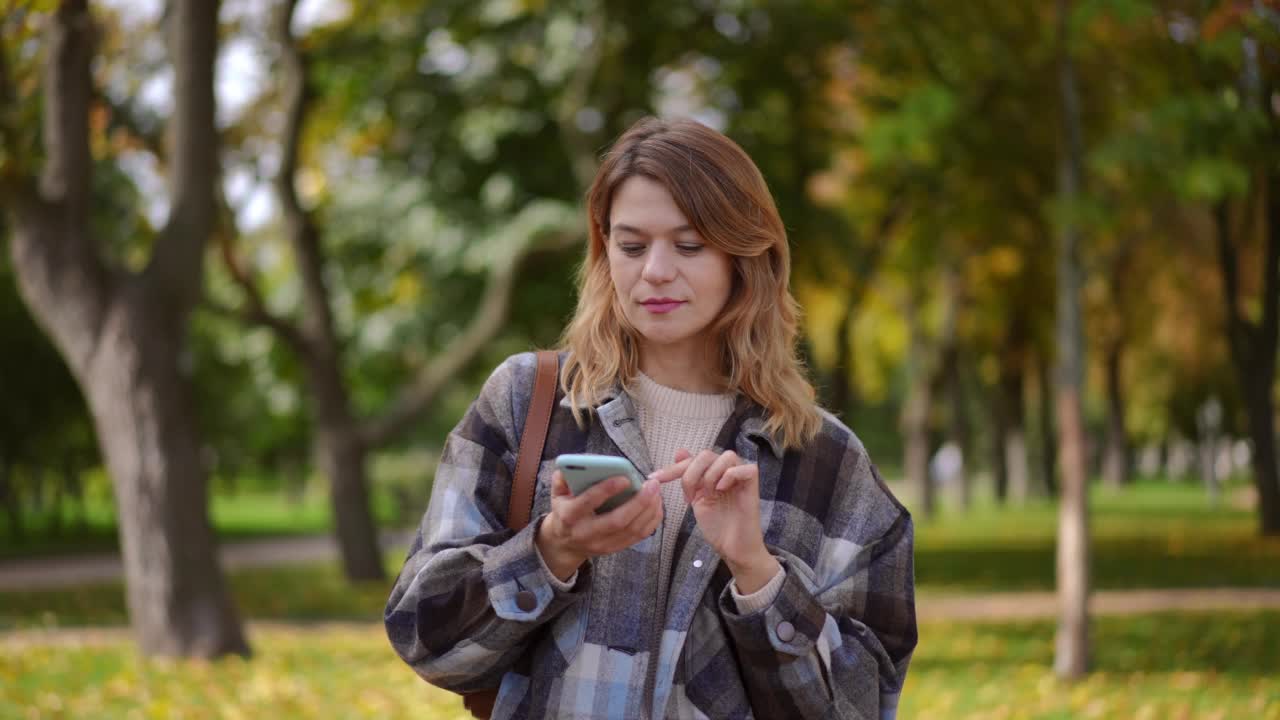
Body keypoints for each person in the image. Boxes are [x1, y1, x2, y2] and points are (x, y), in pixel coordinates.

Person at [385, 116, 917, 719]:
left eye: (689, 246)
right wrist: (551, 550)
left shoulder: (827, 460)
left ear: (746, 256)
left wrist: (758, 573)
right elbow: (422, 637)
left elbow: (862, 707)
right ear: (604, 250)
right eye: (631, 246)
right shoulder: (524, 401)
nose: (655, 271)